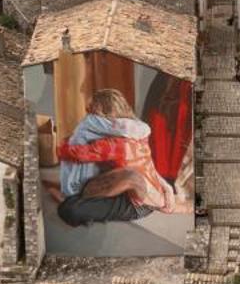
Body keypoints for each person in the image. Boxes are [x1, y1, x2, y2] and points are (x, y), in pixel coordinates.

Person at [54, 88, 178, 226]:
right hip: (147, 195)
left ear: (103, 113)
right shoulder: (139, 135)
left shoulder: (114, 144)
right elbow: (148, 167)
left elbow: (79, 153)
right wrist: (166, 187)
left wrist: (61, 148)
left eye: (93, 113)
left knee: (69, 209)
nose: (90, 117)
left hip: (135, 204)